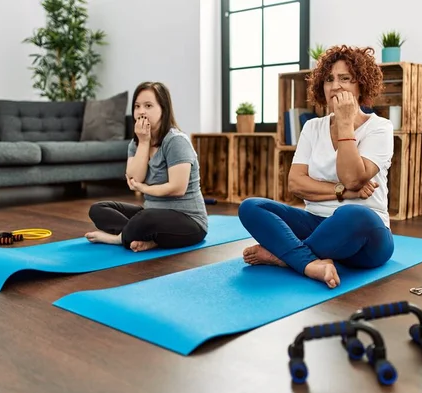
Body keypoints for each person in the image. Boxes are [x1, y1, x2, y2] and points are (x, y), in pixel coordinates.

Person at [238, 45, 395, 288]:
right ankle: (310, 262)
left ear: (361, 85)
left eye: (345, 79)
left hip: (366, 237)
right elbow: (296, 183)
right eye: (329, 79)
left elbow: (353, 177)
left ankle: (286, 257)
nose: (335, 86)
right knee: (252, 207)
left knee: (354, 213)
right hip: (315, 222)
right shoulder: (312, 127)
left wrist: (344, 124)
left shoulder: (380, 127)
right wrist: (346, 192)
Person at [85, 81, 208, 252]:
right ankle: (146, 237)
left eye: (148, 105)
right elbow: (135, 178)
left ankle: (119, 238)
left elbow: (178, 188)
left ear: (163, 109)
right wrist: (144, 142)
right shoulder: (135, 144)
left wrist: (143, 188)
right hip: (152, 213)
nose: (141, 111)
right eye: (137, 106)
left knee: (146, 217)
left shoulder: (176, 141)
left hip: (190, 222)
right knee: (98, 209)